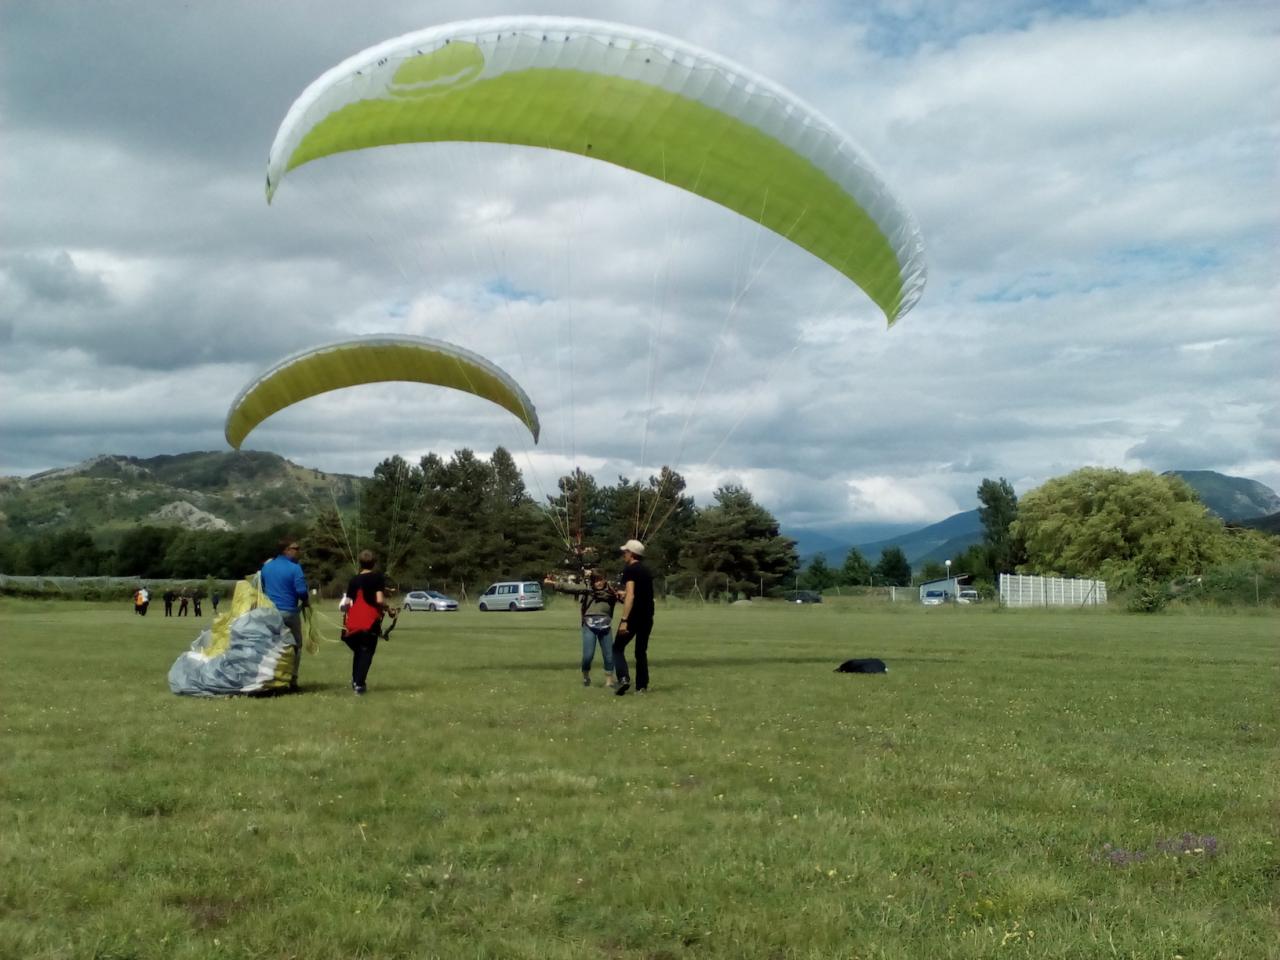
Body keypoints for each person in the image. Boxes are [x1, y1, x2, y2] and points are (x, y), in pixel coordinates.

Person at [544, 569, 617, 688]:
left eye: (601, 580)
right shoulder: (587, 589)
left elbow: (626, 596)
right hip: (589, 625)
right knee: (588, 655)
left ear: (605, 580)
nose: (598, 583)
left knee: (609, 655)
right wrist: (553, 584)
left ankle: (609, 681)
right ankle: (586, 675)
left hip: (605, 625)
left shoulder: (611, 592)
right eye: (596, 580)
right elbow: (570, 588)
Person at [260, 537, 309, 690]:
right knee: (296, 646)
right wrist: (305, 601)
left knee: (272, 646)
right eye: (296, 548)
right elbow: (301, 591)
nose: (299, 551)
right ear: (286, 550)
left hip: (270, 613)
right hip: (289, 612)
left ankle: (270, 679)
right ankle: (292, 680)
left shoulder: (266, 568)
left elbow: (262, 587)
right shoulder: (295, 568)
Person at [341, 550, 389, 695]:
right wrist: (388, 608)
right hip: (369, 620)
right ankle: (359, 685)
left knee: (359, 652)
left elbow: (346, 604)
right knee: (367, 652)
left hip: (353, 621)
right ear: (374, 563)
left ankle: (356, 681)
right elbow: (379, 600)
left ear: (359, 563)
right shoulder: (377, 578)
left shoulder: (354, 580)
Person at [613, 539, 655, 696]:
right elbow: (643, 593)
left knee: (617, 648)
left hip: (633, 616)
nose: (624, 554)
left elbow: (631, 595)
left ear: (631, 553)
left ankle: (623, 678)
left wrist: (624, 620)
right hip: (647, 616)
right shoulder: (646, 570)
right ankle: (641, 686)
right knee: (640, 651)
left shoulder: (630, 569)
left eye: (625, 552)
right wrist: (625, 594)